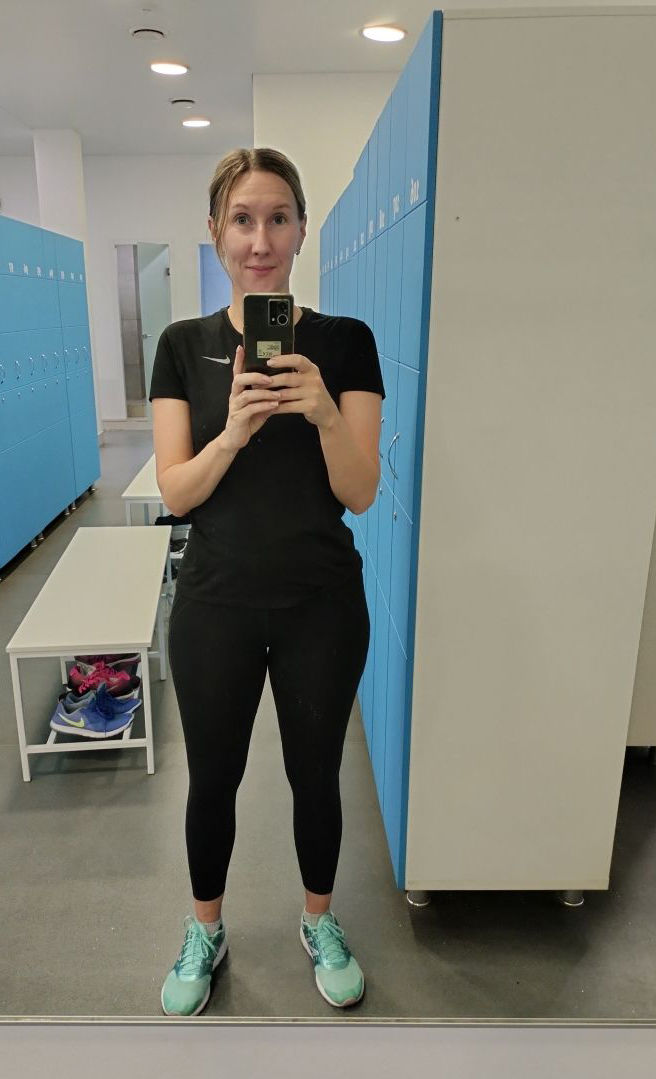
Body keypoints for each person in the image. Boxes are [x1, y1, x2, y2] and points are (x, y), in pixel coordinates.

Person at [149, 147, 385, 1017]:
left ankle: (319, 920)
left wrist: (322, 411)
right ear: (216, 231)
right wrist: (232, 434)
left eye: (278, 218)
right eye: (243, 219)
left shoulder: (346, 343)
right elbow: (176, 492)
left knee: (315, 775)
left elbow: (359, 490)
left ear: (301, 229)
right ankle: (205, 930)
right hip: (215, 604)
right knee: (212, 778)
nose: (260, 240)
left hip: (322, 604)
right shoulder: (183, 347)